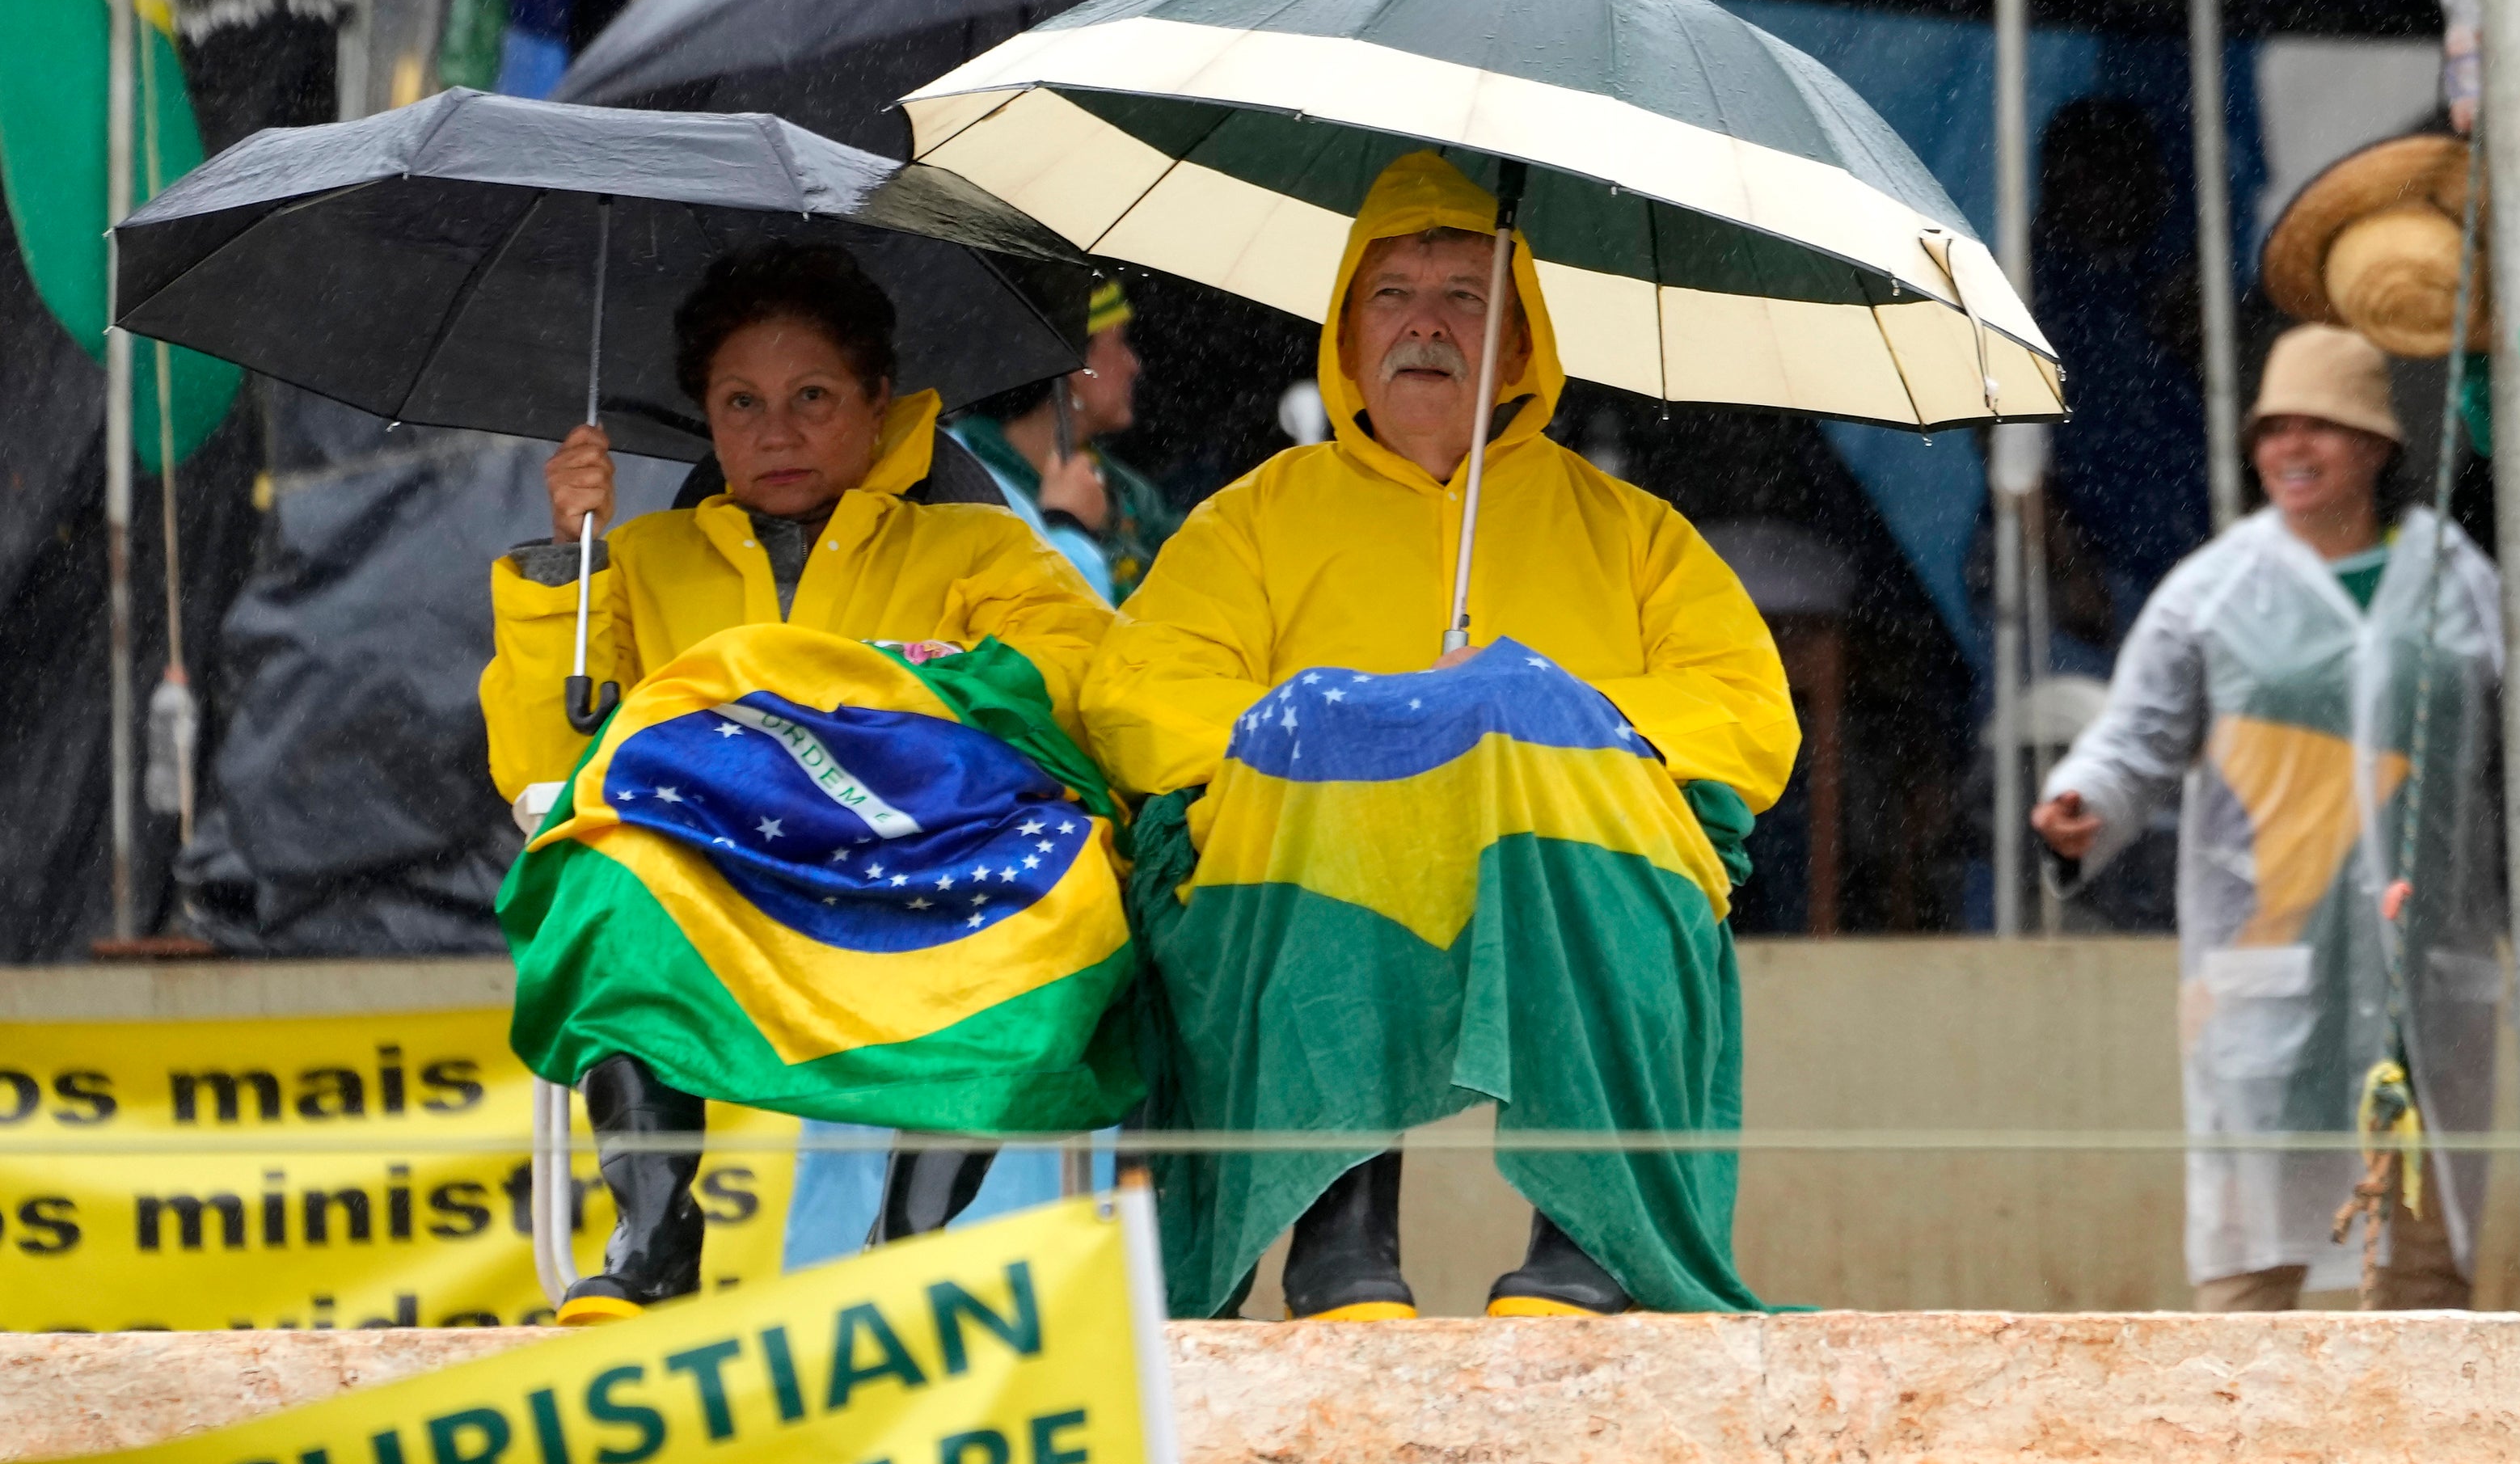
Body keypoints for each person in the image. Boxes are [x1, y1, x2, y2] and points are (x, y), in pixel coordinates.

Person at [1074, 153, 1796, 1323]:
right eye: (1392, 294)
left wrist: (1526, 708)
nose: (1426, 327)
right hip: (1322, 873)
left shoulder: (1633, 533)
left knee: (1585, 797)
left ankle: (1590, 1238)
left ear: (1522, 342)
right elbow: (1139, 698)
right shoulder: (1251, 522)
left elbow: (1746, 716)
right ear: (1347, 334)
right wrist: (1371, 725)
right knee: (1332, 756)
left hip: (1551, 876)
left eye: (1467, 295)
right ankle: (1339, 1233)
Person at [480, 240, 1119, 1318]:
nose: (776, 431)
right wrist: (566, 567)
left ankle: (911, 1237)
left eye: (811, 396)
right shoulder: (639, 558)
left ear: (878, 404)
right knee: (595, 870)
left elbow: (1074, 678)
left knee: (1062, 893)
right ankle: (656, 1230)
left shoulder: (978, 546)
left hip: (913, 872)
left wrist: (929, 690)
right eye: (742, 402)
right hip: (720, 886)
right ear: (709, 417)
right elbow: (547, 765)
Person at [2034, 324, 2504, 1311]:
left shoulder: (2459, 579)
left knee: (2421, 1271)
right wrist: (2087, 801)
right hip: (2272, 973)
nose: (2292, 450)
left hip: (2429, 969)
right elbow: (2136, 740)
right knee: (2253, 1269)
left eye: (2321, 429)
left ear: (2378, 444)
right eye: (2273, 429)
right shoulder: (2213, 594)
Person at [944, 276, 1186, 603]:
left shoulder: (1130, 491)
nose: (1134, 364)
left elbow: (1194, 559)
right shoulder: (964, 474)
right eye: (1119, 343)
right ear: (1074, 365)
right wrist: (1067, 524)